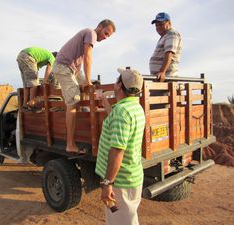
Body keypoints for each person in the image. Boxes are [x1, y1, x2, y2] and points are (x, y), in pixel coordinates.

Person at [52, 19, 116, 154]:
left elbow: (81, 61)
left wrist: (86, 82)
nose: (105, 37)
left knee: (91, 89)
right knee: (74, 100)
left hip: (74, 70)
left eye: (108, 36)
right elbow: (88, 57)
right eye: (105, 33)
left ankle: (87, 115)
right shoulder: (91, 33)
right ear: (99, 27)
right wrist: (87, 80)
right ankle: (70, 144)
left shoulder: (88, 35)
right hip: (63, 67)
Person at [95, 67, 146, 225]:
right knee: (125, 219)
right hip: (130, 178)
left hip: (119, 184)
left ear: (118, 85)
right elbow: (115, 118)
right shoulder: (134, 107)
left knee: (120, 221)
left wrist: (108, 183)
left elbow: (117, 151)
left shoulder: (122, 113)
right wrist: (104, 101)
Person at [149, 12, 182, 82]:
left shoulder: (172, 34)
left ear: (169, 23)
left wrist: (162, 72)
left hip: (166, 79)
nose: (158, 27)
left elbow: (169, 53)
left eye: (161, 24)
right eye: (156, 25)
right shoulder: (165, 36)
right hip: (160, 79)